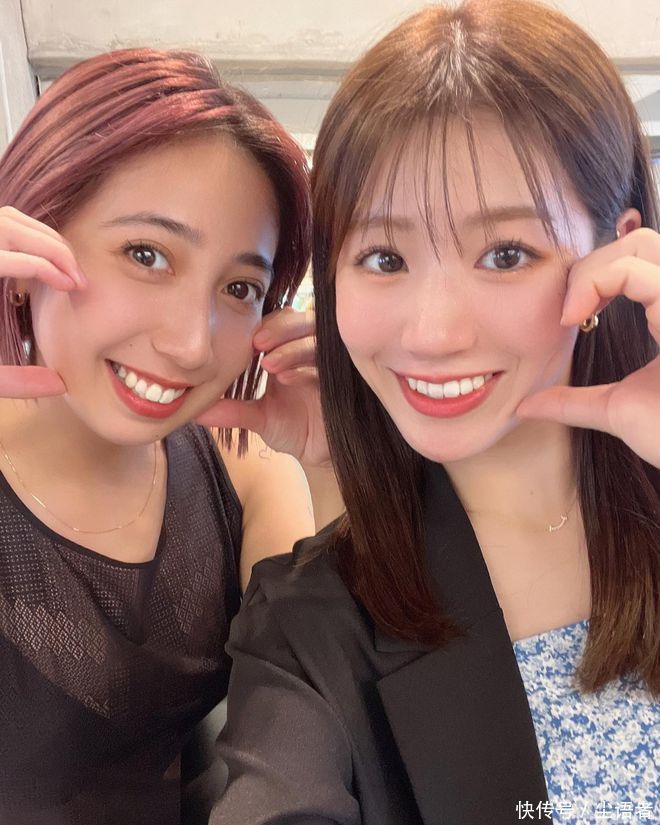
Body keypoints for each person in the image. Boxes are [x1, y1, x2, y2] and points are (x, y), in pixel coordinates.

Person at [210, 1, 660, 823]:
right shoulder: (306, 624)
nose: (434, 332)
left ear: (616, 251)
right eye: (384, 257)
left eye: (506, 253)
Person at [0, 47, 336, 825]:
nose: (191, 342)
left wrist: (338, 462)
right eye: (146, 254)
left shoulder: (245, 473)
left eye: (240, 287)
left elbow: (310, 730)